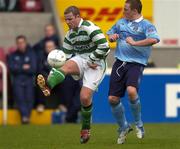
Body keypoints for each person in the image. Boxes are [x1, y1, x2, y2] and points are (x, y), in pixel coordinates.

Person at [37, 6, 110, 143]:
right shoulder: (69, 34)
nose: (68, 22)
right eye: (66, 20)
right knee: (65, 65)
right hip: (82, 59)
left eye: (70, 19)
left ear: (78, 17)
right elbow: (65, 57)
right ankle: (48, 86)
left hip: (96, 63)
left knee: (84, 97)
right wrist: (54, 65)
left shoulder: (90, 28)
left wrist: (92, 59)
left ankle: (85, 129)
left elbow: (104, 46)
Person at [107, 0, 160, 144]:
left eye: (125, 9)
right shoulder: (121, 23)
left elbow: (154, 39)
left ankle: (139, 124)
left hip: (136, 64)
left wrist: (135, 43)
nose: (123, 12)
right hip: (119, 63)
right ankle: (123, 127)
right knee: (112, 99)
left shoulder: (146, 25)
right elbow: (111, 32)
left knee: (131, 91)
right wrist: (112, 37)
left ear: (135, 11)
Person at [8, 35, 37, 124]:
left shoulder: (31, 54)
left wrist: (19, 68)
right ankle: (25, 117)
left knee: (29, 99)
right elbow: (12, 68)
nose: (20, 45)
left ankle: (26, 117)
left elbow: (33, 69)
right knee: (20, 98)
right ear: (17, 44)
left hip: (29, 79)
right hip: (17, 80)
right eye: (18, 43)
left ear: (25, 43)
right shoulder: (13, 55)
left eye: (22, 42)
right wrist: (23, 67)